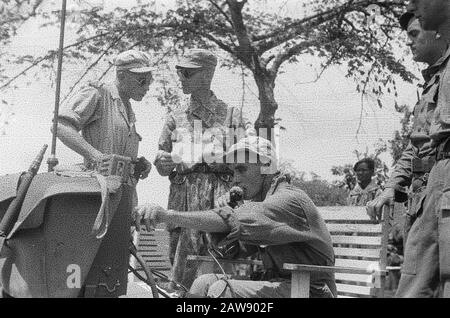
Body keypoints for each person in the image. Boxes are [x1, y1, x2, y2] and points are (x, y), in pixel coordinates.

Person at [136, 136, 336, 298]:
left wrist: (167, 215)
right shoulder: (261, 204)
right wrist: (228, 212)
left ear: (266, 166)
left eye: (241, 169)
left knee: (220, 291)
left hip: (310, 290)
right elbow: (236, 253)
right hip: (283, 286)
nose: (235, 179)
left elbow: (233, 221)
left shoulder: (288, 199)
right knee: (203, 282)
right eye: (232, 172)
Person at [54, 49, 153, 297]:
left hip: (122, 199)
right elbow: (61, 125)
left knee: (112, 273)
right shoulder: (97, 93)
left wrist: (139, 164)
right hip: (97, 198)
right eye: (142, 79)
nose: (147, 86)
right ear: (121, 75)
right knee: (88, 268)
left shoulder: (128, 109)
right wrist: (95, 155)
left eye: (149, 80)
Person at [153, 49, 254, 289]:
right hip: (183, 196)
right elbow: (162, 161)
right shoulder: (175, 117)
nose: (181, 78)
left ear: (207, 75)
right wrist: (162, 163)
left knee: (222, 258)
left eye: (188, 73)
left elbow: (253, 156)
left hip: (221, 195)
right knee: (181, 263)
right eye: (180, 72)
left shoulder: (232, 115)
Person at [372, 0, 450, 297]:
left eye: (415, 33)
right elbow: (414, 147)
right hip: (423, 201)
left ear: (438, 33)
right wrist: (392, 185)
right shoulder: (433, 83)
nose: (409, 41)